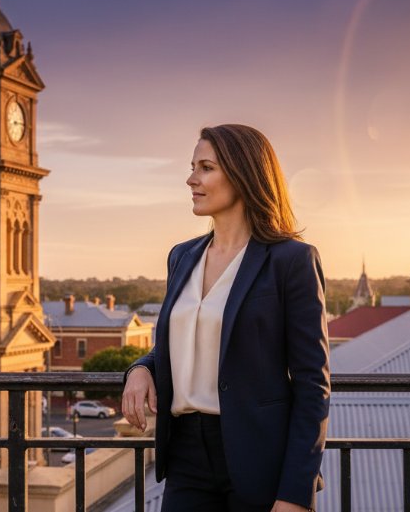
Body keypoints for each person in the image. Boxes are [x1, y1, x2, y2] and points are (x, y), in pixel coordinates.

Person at [122, 124, 330, 512]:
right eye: (192, 167)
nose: (191, 179)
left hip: (259, 458)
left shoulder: (291, 261)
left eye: (205, 168)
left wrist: (295, 493)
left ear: (243, 173)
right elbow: (181, 343)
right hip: (185, 456)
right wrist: (139, 368)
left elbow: (312, 385)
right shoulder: (181, 256)